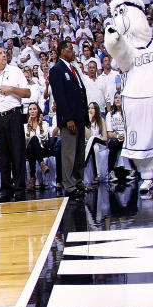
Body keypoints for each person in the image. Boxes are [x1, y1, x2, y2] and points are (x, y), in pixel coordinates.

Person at [0, 46, 31, 202]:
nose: (4, 55)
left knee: (18, 153)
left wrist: (11, 89)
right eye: (0, 53)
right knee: (3, 155)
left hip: (14, 115)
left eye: (4, 53)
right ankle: (6, 190)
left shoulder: (15, 71)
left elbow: (27, 93)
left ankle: (20, 189)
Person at [48, 39, 88, 198]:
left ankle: (78, 181)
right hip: (69, 119)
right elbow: (60, 96)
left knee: (79, 152)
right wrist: (68, 118)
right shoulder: (56, 69)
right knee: (69, 153)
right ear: (62, 51)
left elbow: (80, 93)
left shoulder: (73, 68)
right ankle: (69, 185)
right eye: (71, 48)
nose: (73, 51)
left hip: (79, 117)